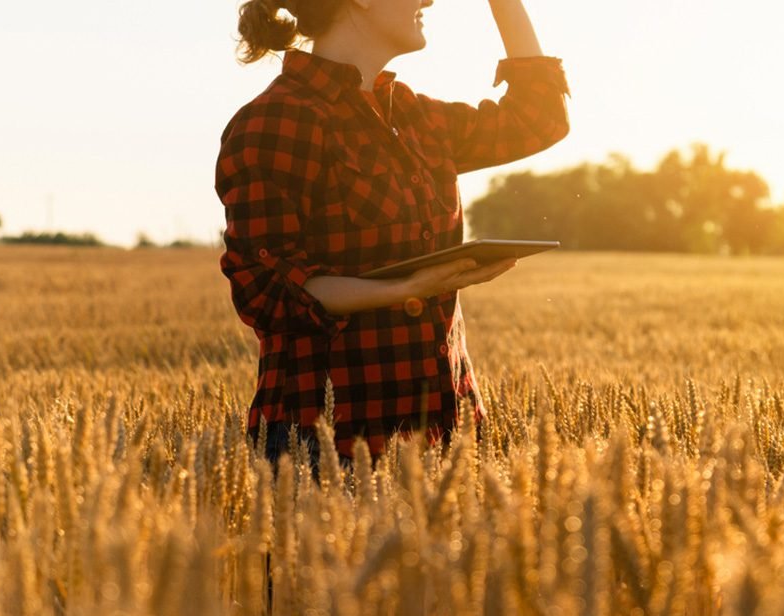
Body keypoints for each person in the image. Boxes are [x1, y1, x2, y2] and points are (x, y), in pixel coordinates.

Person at [217, 0, 570, 465]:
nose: (428, 0)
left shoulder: (415, 118)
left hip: (446, 432)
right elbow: (266, 289)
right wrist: (406, 288)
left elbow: (540, 118)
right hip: (330, 444)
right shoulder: (275, 122)